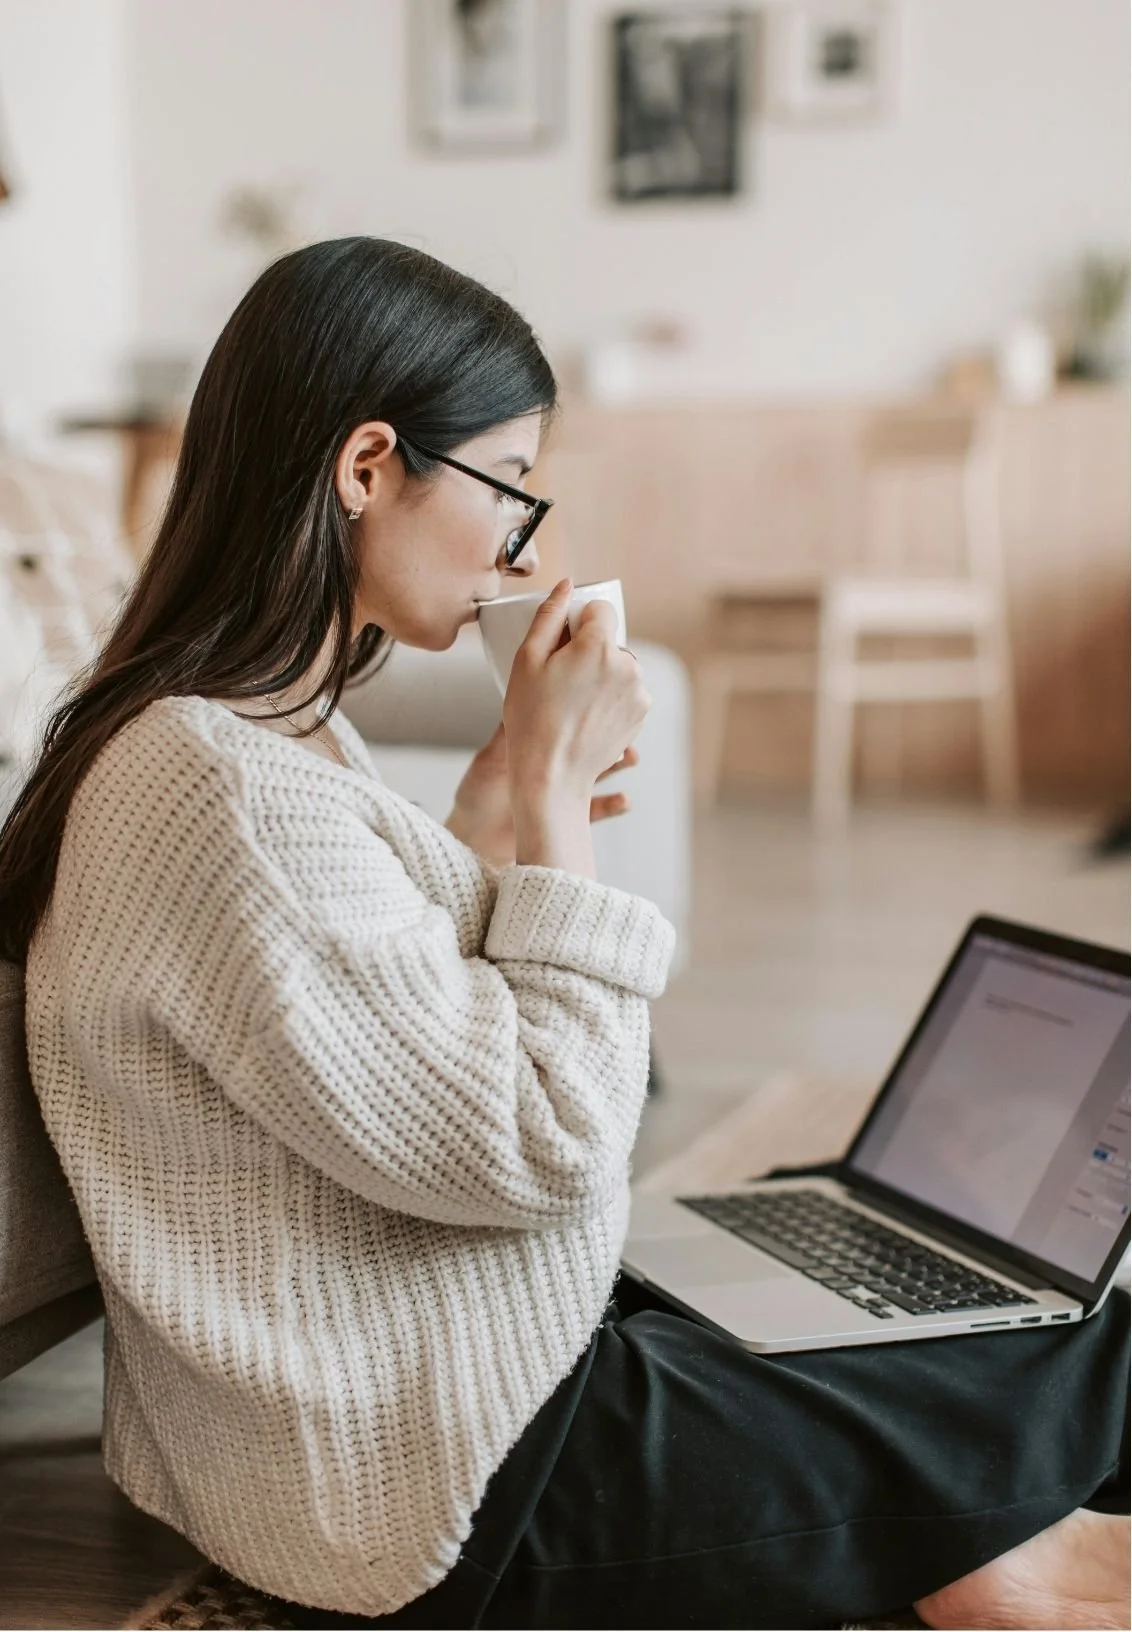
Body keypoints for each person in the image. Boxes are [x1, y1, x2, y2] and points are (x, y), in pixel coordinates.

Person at [1, 237, 1126, 1630]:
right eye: (509, 483)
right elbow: (547, 1141)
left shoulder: (240, 739)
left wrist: (481, 816)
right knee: (1082, 1357)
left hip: (443, 1382)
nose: (525, 538)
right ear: (367, 468)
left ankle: (980, 1554)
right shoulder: (215, 782)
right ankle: (1002, 1560)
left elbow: (381, 1032)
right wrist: (551, 811)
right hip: (449, 1483)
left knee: (942, 1328)